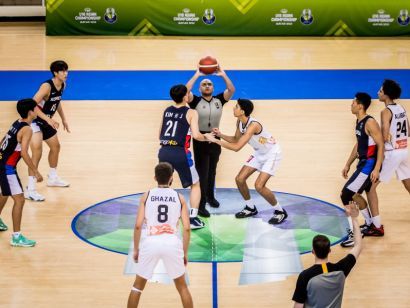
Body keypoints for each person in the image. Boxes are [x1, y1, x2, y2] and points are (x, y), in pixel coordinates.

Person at [205, 98, 287, 224]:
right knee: (240, 179)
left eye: (236, 106)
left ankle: (280, 211)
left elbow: (236, 148)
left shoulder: (253, 125)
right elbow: (235, 140)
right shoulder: (239, 121)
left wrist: (215, 141)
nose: (234, 108)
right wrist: (220, 135)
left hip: (272, 153)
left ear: (242, 111)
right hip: (259, 152)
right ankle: (250, 207)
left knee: (259, 186)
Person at [127, 162, 193, 308]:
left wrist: (137, 249)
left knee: (137, 287)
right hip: (172, 242)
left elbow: (138, 226)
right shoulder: (179, 197)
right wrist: (185, 253)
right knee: (182, 287)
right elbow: (187, 228)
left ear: (155, 178)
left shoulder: (147, 195)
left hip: (151, 241)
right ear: (171, 178)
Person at [185, 65, 235, 217]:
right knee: (202, 173)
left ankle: (210, 197)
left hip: (215, 138)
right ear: (200, 89)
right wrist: (197, 75)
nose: (207, 85)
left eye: (209, 84)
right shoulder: (195, 101)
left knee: (212, 170)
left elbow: (231, 90)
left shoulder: (219, 99)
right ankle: (200, 205)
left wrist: (223, 75)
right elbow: (186, 91)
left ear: (213, 88)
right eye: (204, 84)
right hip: (200, 138)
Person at [292, 202, 363, 308]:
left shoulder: (305, 276)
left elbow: (298, 306)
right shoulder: (341, 269)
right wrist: (354, 218)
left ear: (313, 251)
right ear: (329, 250)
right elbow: (358, 246)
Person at [158, 84, 207, 229]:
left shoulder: (166, 111)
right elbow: (197, 136)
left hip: (164, 151)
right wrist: (208, 137)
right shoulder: (191, 112)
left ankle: (162, 216)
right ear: (185, 96)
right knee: (196, 184)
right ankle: (192, 218)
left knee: (164, 184)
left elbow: (159, 134)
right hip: (181, 153)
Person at [340, 93, 384, 247]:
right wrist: (348, 163)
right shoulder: (358, 121)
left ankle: (353, 233)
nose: (351, 105)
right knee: (356, 195)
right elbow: (358, 144)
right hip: (363, 164)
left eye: (353, 102)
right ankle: (370, 223)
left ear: (360, 105)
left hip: (369, 165)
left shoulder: (370, 122)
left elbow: (381, 145)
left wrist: (377, 168)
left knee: (346, 195)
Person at [25, 60, 70, 202]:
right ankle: (30, 189)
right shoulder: (46, 86)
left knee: (56, 147)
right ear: (55, 73)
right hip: (34, 121)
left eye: (66, 70)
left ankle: (52, 177)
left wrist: (63, 119)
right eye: (62, 71)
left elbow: (57, 102)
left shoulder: (62, 84)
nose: (66, 73)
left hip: (46, 121)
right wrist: (48, 119)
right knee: (37, 152)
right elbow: (32, 105)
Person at [0, 99, 43, 247]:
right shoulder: (27, 130)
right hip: (7, 168)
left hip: (2, 163)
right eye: (35, 109)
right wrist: (35, 171)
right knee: (19, 200)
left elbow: (3, 140)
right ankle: (16, 237)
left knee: (4, 194)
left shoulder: (17, 122)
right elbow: (24, 152)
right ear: (31, 112)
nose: (37, 111)